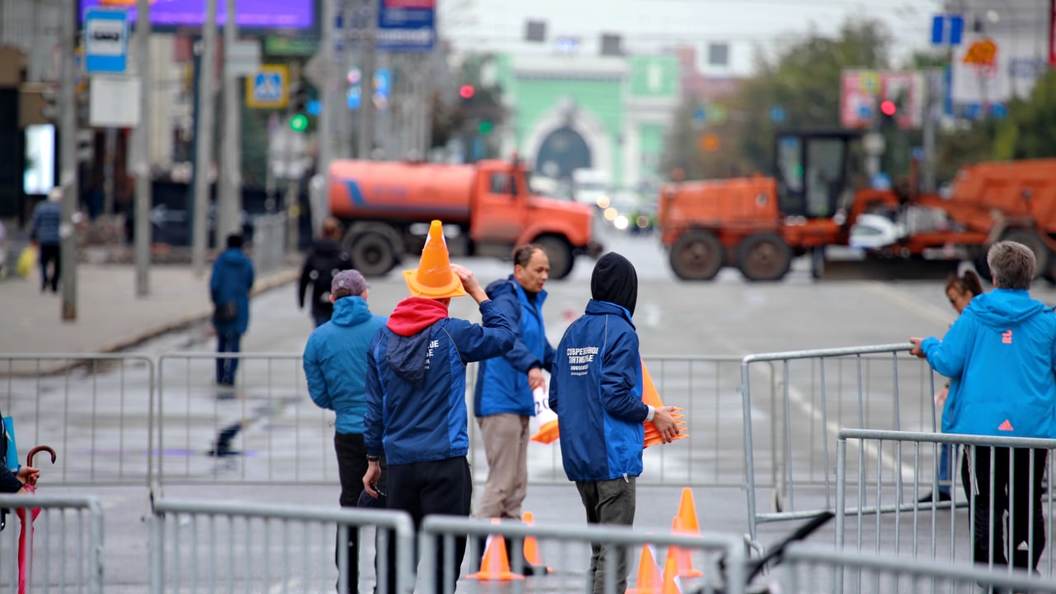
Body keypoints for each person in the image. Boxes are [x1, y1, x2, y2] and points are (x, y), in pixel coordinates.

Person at [362, 220, 514, 592]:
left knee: (396, 564)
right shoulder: (452, 333)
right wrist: (478, 291)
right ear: (447, 294)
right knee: (446, 564)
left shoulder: (381, 339)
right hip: (445, 464)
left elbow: (375, 407)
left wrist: (372, 459)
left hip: (399, 466)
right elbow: (505, 337)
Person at [911, 241, 1056, 572]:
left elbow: (948, 360)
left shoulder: (976, 315)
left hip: (981, 430)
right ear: (1030, 276)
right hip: (1030, 430)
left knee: (985, 499)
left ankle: (990, 568)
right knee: (1027, 499)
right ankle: (1024, 566)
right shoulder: (1047, 321)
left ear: (993, 274)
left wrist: (929, 346)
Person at [549, 252, 680, 594]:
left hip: (579, 458)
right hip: (613, 458)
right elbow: (616, 397)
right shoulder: (621, 332)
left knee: (600, 550)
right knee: (615, 554)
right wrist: (654, 414)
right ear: (627, 290)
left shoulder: (573, 332)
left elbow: (556, 398)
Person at [303, 269, 386, 594]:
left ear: (333, 299)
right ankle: (385, 583)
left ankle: (347, 584)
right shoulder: (384, 329)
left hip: (348, 432)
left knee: (350, 505)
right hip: (384, 432)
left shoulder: (319, 339)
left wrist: (344, 406)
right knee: (387, 508)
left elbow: (319, 393)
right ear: (365, 295)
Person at [473, 245, 555, 530]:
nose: (544, 276)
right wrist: (532, 365)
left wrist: (570, 369)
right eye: (538, 270)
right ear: (519, 271)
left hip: (519, 403)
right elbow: (507, 339)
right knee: (502, 483)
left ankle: (512, 557)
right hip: (500, 403)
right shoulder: (508, 299)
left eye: (547, 270)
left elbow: (540, 347)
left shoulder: (531, 301)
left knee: (517, 485)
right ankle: (478, 553)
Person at [921, 270, 985, 503]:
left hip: (973, 399)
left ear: (968, 294)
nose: (953, 306)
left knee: (969, 445)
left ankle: (960, 490)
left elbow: (950, 360)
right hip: (968, 395)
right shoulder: (976, 320)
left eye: (954, 300)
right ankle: (945, 486)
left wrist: (928, 346)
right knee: (952, 440)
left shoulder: (972, 321)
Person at [210, 234, 255, 387]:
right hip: (240, 306)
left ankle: (220, 375)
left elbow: (214, 284)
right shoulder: (246, 262)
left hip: (223, 305)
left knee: (221, 341)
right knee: (235, 342)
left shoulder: (220, 261)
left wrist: (217, 301)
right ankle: (230, 377)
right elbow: (250, 282)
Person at [298, 217, 354, 327]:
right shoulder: (343, 255)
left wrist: (301, 299)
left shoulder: (313, 253)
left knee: (321, 332)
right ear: (337, 233)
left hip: (318, 301)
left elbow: (304, 278)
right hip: (339, 303)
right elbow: (353, 280)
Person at [29, 189, 62, 293]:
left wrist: (33, 236)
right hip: (57, 240)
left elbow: (35, 223)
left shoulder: (40, 207)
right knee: (57, 263)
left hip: (43, 239)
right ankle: (54, 284)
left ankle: (44, 280)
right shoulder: (61, 209)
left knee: (43, 262)